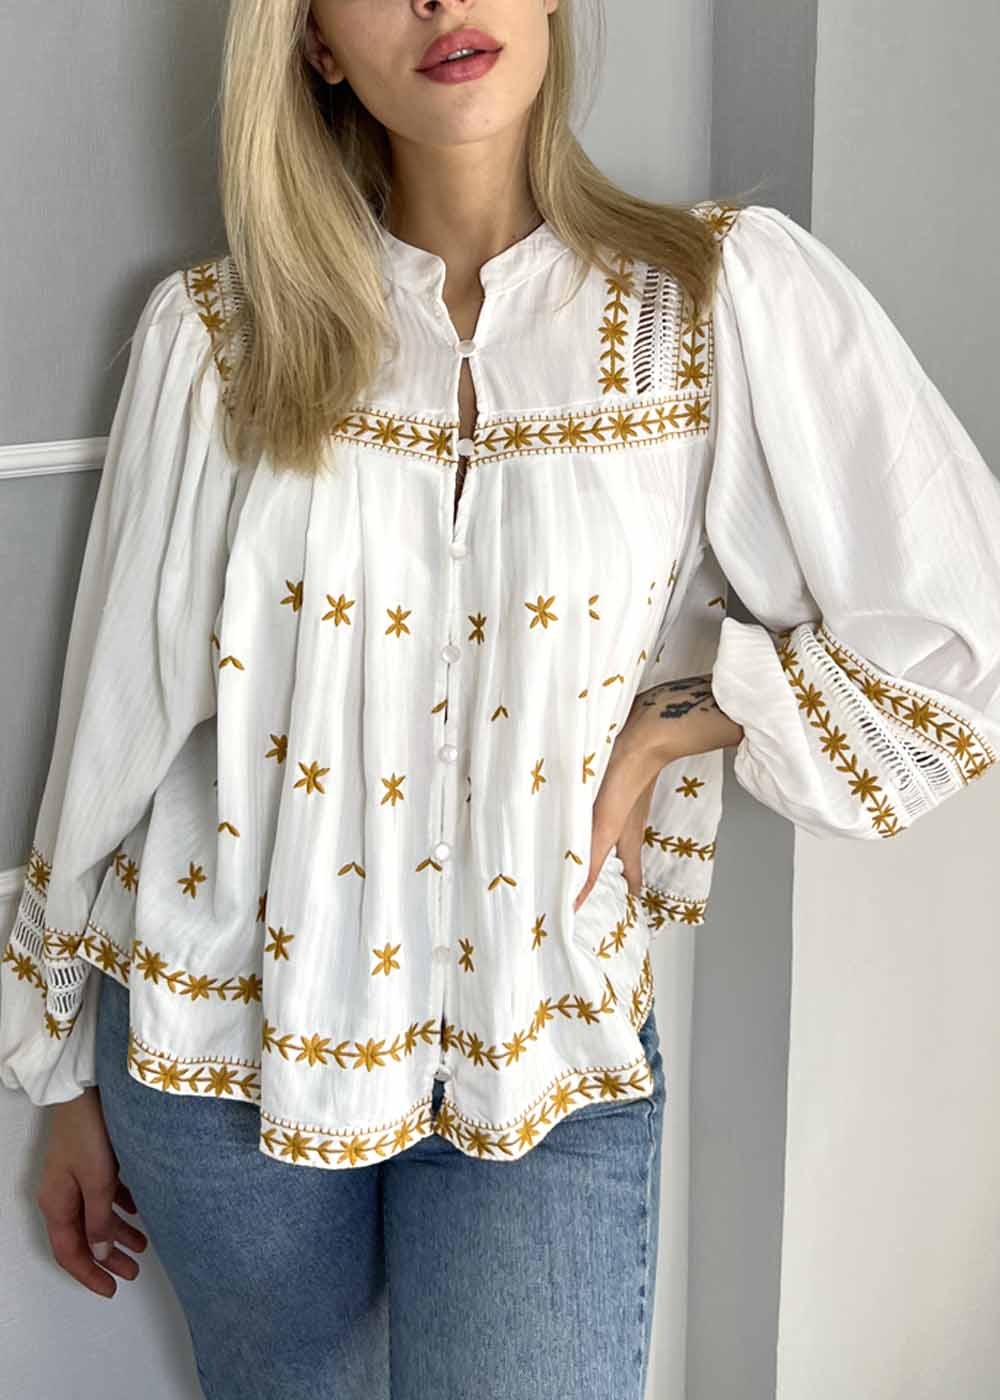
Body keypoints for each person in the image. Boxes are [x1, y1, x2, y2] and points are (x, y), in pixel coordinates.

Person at [2, 2, 998, 1397]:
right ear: (315, 44)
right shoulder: (221, 338)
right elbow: (119, 721)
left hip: (547, 1050)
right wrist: (60, 1075)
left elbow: (953, 637)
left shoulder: (713, 303)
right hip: (224, 1051)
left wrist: (677, 722)